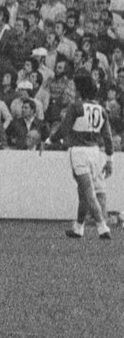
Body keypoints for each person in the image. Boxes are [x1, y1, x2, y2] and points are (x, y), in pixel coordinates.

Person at [46, 71, 114, 240]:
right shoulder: (101, 109)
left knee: (87, 191)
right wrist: (109, 159)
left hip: (79, 152)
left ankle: (102, 227)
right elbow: (108, 137)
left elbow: (63, 129)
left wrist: (49, 140)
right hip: (95, 152)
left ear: (80, 90)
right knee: (83, 192)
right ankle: (78, 227)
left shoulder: (76, 107)